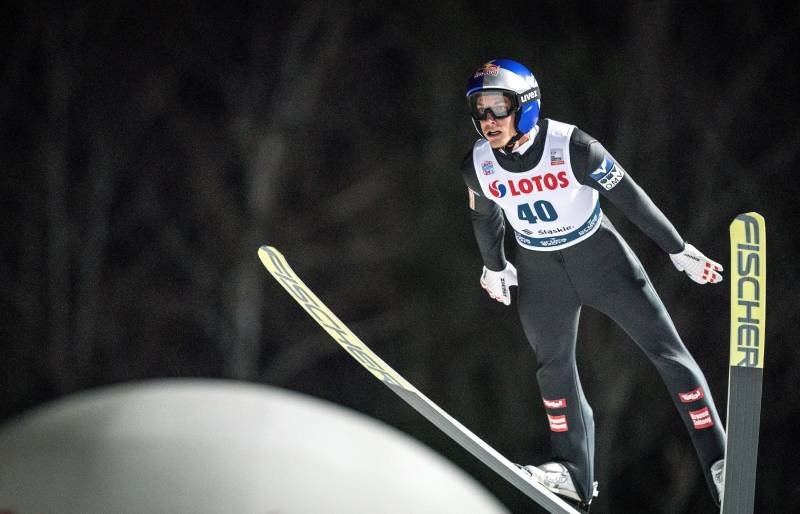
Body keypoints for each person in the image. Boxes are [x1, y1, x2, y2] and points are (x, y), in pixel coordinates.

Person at [461, 58, 726, 509]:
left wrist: (677, 249)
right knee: (553, 368)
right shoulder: (478, 164)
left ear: (524, 106)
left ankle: (720, 461)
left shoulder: (575, 146)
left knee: (667, 353)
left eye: (497, 108)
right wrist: (495, 265)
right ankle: (573, 473)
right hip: (542, 274)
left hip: (601, 261)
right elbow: (483, 217)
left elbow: (632, 199)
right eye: (480, 110)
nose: (488, 121)